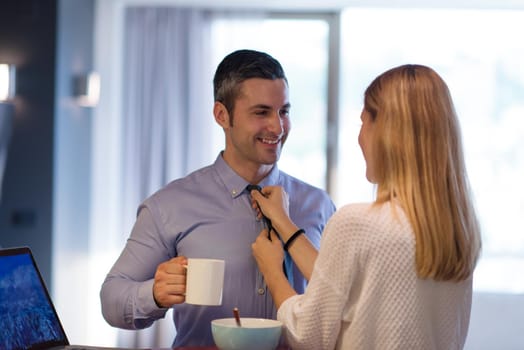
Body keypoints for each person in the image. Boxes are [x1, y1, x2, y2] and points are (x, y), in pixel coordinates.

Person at [99, 49, 336, 347]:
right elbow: (111, 298)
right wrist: (154, 294)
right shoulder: (169, 205)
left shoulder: (319, 206)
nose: (277, 127)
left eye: (284, 111)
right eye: (261, 112)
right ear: (222, 115)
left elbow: (341, 303)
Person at [251, 64, 482, 350]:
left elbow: (307, 335)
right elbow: (346, 286)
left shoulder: (358, 223)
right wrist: (284, 223)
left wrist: (273, 270)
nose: (360, 138)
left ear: (386, 132)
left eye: (363, 122)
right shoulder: (456, 231)